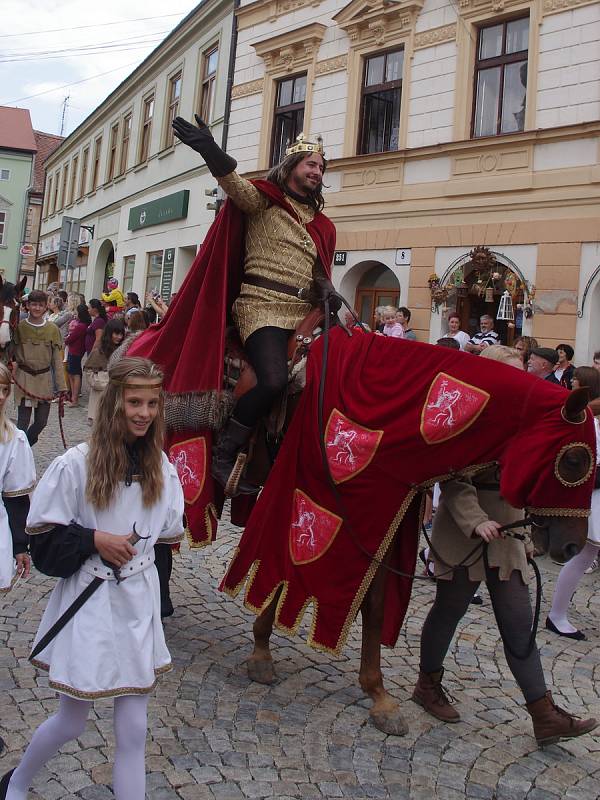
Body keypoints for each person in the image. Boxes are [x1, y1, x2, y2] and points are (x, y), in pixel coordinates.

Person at [0, 357, 185, 800]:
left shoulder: (162, 466)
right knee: (72, 720)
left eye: (152, 403)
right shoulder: (76, 465)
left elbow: (166, 534)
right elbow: (43, 540)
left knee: (135, 730)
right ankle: (16, 784)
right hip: (90, 598)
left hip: (137, 603)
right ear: (114, 403)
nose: (143, 412)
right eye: (134, 402)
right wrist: (94, 538)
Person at [411, 344, 598, 746]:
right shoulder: (469, 416)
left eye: (522, 374)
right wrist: (476, 522)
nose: (519, 383)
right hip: (467, 535)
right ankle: (427, 684)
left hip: (510, 533)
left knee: (518, 622)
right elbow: (452, 476)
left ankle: (544, 714)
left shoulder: (529, 419)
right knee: (448, 611)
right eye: (510, 375)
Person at [170, 114, 338, 494]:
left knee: (348, 361)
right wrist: (211, 150)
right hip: (260, 306)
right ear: (292, 166)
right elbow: (233, 185)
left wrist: (325, 286)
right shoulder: (263, 200)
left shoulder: (323, 224)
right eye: (311, 163)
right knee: (275, 378)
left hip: (304, 313)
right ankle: (225, 452)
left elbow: (318, 269)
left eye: (322, 167)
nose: (317, 171)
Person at [546, 366, 600, 638]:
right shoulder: (590, 422)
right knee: (584, 555)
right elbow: (589, 466)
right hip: (594, 496)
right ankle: (557, 614)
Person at [10, 290, 67, 446]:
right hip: (24, 378)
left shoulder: (52, 329)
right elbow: (10, 353)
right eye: (33, 304)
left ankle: (24, 447)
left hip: (44, 381)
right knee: (22, 422)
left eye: (40, 305)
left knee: (41, 422)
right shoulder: (19, 327)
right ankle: (17, 454)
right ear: (28, 305)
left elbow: (57, 360)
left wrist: (62, 386)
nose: (36, 308)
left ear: (45, 307)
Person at [83, 318, 126, 423]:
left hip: (117, 395)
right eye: (116, 334)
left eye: (121, 334)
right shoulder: (98, 352)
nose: (119, 337)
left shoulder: (123, 351)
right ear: (109, 333)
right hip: (100, 395)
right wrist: (102, 382)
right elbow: (88, 372)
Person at [64, 304, 91, 408]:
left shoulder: (80, 326)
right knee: (72, 373)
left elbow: (70, 339)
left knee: (74, 374)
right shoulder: (83, 324)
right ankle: (72, 397)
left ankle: (74, 399)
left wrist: (67, 339)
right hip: (76, 351)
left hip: (75, 351)